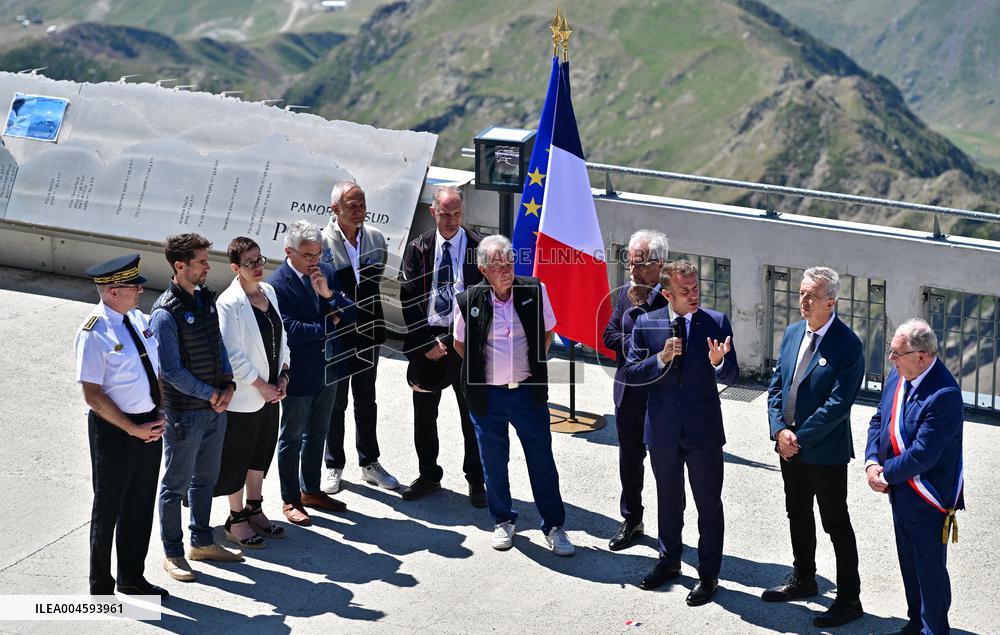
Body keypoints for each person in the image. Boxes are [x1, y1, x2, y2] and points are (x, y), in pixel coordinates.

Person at [623, 260, 737, 606]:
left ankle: (708, 574)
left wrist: (719, 362)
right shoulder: (646, 323)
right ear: (668, 293)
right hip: (663, 431)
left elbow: (731, 374)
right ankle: (669, 561)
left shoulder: (715, 322)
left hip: (703, 432)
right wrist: (659, 358)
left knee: (708, 504)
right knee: (669, 501)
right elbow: (632, 372)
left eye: (696, 288)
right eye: (685, 291)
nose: (693, 295)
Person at [453, 235, 574, 556]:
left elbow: (548, 332)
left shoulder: (535, 291)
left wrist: (529, 365)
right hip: (487, 397)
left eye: (509, 262)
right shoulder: (468, 300)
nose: (506, 269)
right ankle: (503, 520)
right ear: (483, 269)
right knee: (493, 462)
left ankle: (554, 526)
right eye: (498, 265)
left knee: (542, 460)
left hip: (526, 393)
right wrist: (488, 373)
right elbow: (460, 345)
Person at [764, 266, 865, 628]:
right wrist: (779, 432)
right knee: (798, 514)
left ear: (831, 302)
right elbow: (776, 386)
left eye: (811, 296)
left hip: (823, 451)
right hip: (789, 447)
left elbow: (838, 404)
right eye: (801, 293)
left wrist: (798, 438)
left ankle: (849, 599)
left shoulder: (848, 345)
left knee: (835, 522)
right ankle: (804, 577)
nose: (802, 301)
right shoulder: (793, 334)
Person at [151, 234, 244, 583]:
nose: (208, 266)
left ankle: (201, 541)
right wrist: (210, 394)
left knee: (205, 480)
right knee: (175, 486)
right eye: (201, 261)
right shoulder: (164, 313)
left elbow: (218, 345)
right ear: (180, 266)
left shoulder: (205, 298)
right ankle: (173, 554)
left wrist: (228, 384)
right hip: (184, 415)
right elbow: (171, 371)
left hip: (212, 409)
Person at [75, 254, 168, 598]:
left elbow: (152, 368)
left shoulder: (138, 320)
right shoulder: (94, 331)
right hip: (115, 431)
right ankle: (101, 584)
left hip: (149, 426)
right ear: (113, 291)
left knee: (141, 504)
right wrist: (131, 428)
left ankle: (132, 576)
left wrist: (160, 410)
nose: (140, 289)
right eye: (133, 285)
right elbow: (93, 395)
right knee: (109, 506)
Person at [865, 319, 964, 635]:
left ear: (921, 356)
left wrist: (885, 474)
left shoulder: (944, 394)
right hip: (900, 490)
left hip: (927, 496)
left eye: (897, 354)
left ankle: (935, 629)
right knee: (909, 565)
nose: (891, 360)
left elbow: (924, 453)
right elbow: (879, 419)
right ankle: (916, 622)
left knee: (929, 570)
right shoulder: (899, 375)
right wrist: (870, 463)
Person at [398, 185, 486, 506]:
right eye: (445, 214)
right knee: (424, 413)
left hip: (465, 341)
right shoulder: (418, 248)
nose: (451, 220)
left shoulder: (479, 247)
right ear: (434, 212)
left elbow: (488, 298)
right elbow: (408, 298)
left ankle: (477, 479)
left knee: (472, 415)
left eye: (457, 214)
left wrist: (461, 340)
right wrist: (425, 342)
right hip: (428, 339)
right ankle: (429, 475)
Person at [270, 220, 356, 526]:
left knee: (319, 432)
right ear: (289, 251)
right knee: (292, 436)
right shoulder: (277, 284)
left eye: (318, 254)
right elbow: (289, 330)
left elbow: (352, 312)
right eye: (307, 255)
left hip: (329, 369)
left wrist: (329, 295)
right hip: (299, 372)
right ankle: (290, 499)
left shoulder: (326, 273)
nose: (314, 261)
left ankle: (311, 490)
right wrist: (327, 324)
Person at [320, 181, 398, 493]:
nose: (359, 210)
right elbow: (317, 288)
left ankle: (369, 463)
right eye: (352, 205)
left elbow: (374, 284)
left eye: (362, 204)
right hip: (336, 336)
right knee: (335, 402)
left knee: (366, 399)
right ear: (334, 209)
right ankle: (333, 465)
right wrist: (336, 315)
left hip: (368, 333)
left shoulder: (376, 238)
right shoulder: (322, 242)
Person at [215, 237, 290, 548]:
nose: (258, 266)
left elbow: (281, 338)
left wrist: (284, 375)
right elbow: (232, 354)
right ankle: (235, 518)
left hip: (273, 393)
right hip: (247, 396)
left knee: (260, 453)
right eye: (250, 263)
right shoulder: (228, 303)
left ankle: (254, 508)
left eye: (260, 260)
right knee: (237, 457)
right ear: (235, 267)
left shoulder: (269, 291)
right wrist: (263, 387)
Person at [602, 229, 669, 551]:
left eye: (640, 264)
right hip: (628, 392)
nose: (633, 271)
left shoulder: (672, 298)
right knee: (630, 460)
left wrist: (641, 339)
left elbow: (670, 346)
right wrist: (639, 345)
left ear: (660, 264)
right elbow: (609, 335)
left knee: (665, 465)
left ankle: (671, 532)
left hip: (660, 397)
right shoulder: (625, 295)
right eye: (630, 263)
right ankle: (632, 519)